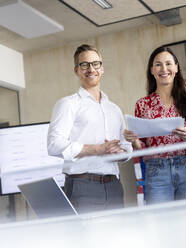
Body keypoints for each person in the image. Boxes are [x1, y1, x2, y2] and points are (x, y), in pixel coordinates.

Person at [47, 44, 132, 214]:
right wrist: (98, 149)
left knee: (117, 239)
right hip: (82, 187)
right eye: (84, 65)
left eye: (96, 64)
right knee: (88, 240)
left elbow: (127, 148)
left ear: (102, 69)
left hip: (114, 186)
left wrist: (121, 153)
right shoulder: (68, 104)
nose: (91, 69)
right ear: (76, 70)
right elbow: (54, 145)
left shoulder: (114, 109)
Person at [124, 46, 186, 204]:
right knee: (161, 224)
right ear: (152, 70)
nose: (164, 69)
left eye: (168, 64)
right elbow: (142, 149)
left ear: (176, 67)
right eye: (158, 64)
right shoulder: (143, 104)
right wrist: (133, 140)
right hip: (156, 171)